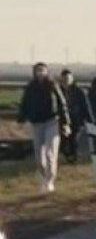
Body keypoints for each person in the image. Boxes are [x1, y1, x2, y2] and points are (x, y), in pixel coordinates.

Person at [16, 63, 69, 192]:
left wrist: (66, 123)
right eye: (37, 70)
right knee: (39, 154)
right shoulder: (30, 88)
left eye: (42, 70)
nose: (40, 73)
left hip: (52, 122)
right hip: (36, 123)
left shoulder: (52, 85)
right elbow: (25, 104)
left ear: (46, 72)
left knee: (50, 152)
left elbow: (62, 104)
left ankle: (50, 180)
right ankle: (43, 177)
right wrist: (21, 118)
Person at [58, 69, 89, 163]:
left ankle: (74, 158)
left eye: (68, 78)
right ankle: (68, 155)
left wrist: (88, 119)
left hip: (77, 120)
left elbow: (85, 106)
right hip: (63, 121)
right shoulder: (58, 91)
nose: (66, 80)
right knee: (63, 141)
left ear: (72, 79)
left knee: (74, 140)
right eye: (64, 78)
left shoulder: (79, 91)